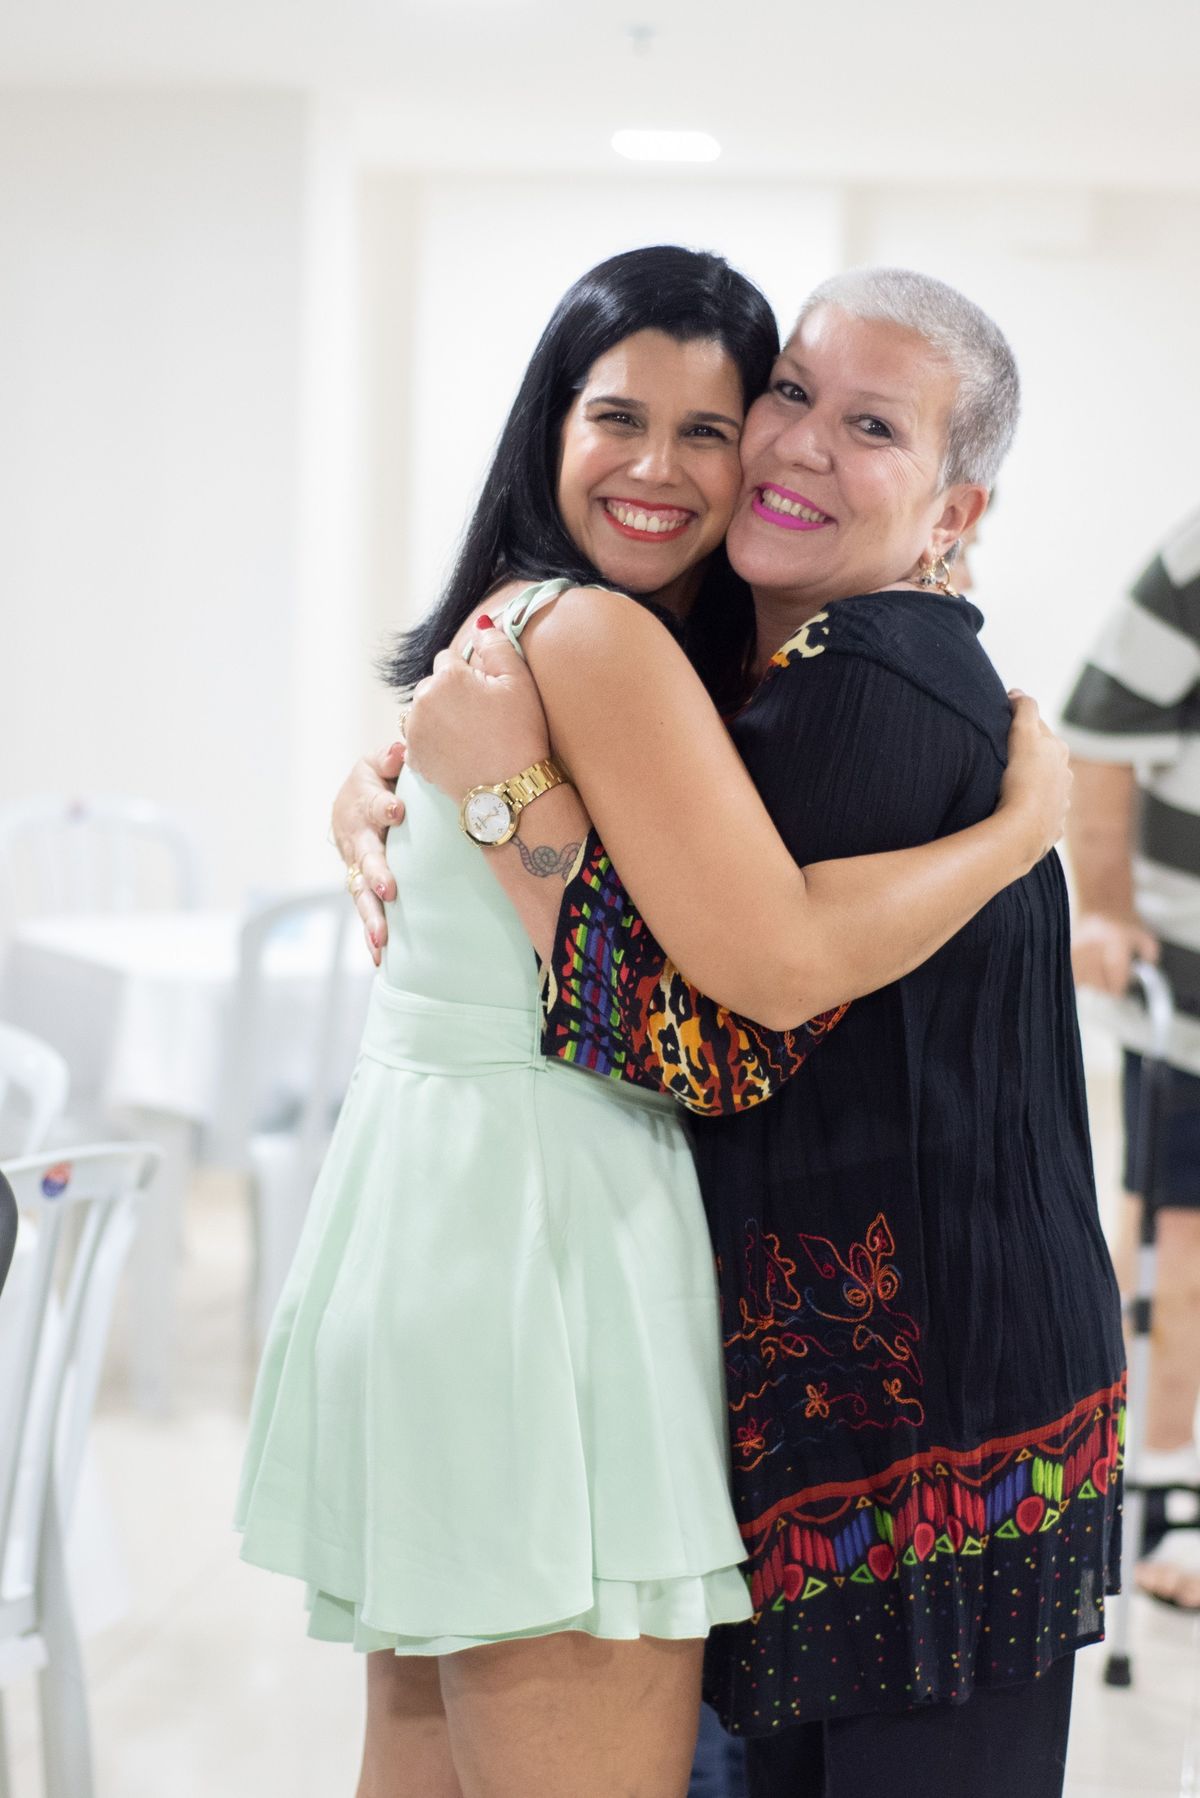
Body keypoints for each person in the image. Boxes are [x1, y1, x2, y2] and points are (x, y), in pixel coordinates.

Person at [243, 245, 1070, 1798]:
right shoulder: (602, 642)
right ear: (548, 425)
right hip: (549, 1261)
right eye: (620, 416)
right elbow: (756, 993)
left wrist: (417, 793)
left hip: (439, 1233)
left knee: (426, 1759)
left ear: (957, 506)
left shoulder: (554, 637)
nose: (669, 468)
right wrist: (1022, 834)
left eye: (711, 424)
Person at [1061, 505, 1200, 1610]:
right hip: (1191, 988)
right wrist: (1101, 910)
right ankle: (1161, 1497)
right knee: (1181, 1248)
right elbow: (1102, 736)